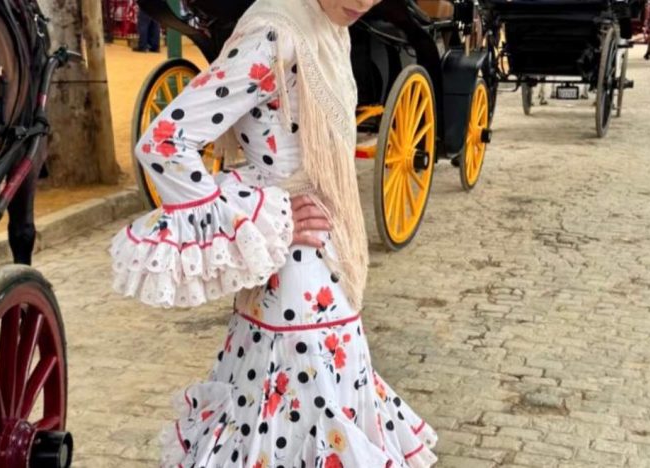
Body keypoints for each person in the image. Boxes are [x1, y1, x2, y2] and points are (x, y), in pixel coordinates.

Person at [109, 0, 439, 466]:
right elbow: (162, 144)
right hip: (294, 284)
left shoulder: (328, 26)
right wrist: (265, 211)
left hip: (320, 267)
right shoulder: (274, 35)